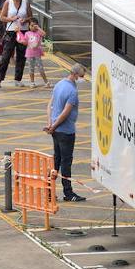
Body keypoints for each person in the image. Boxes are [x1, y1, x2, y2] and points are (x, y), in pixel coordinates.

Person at [44, 64, 87, 202]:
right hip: (66, 131)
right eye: (81, 76)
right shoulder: (72, 92)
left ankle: (49, 190)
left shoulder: (59, 84)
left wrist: (50, 124)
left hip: (56, 131)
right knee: (66, 162)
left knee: (56, 160)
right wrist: (54, 125)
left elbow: (50, 106)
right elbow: (65, 113)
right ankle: (68, 193)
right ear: (75, 75)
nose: (82, 79)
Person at [0, 0, 30, 88]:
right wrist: (11, 19)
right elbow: (1, 17)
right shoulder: (8, 2)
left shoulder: (25, 2)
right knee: (5, 56)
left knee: (21, 57)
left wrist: (25, 20)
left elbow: (31, 17)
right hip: (11, 32)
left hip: (23, 31)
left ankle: (18, 79)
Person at [18, 18, 49, 87]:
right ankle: (32, 82)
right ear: (29, 26)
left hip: (37, 54)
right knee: (31, 68)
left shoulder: (38, 32)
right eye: (31, 25)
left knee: (41, 68)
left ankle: (46, 82)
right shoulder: (27, 33)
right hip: (29, 54)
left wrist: (38, 28)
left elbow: (44, 34)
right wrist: (22, 41)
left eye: (35, 25)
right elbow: (25, 42)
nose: (33, 27)